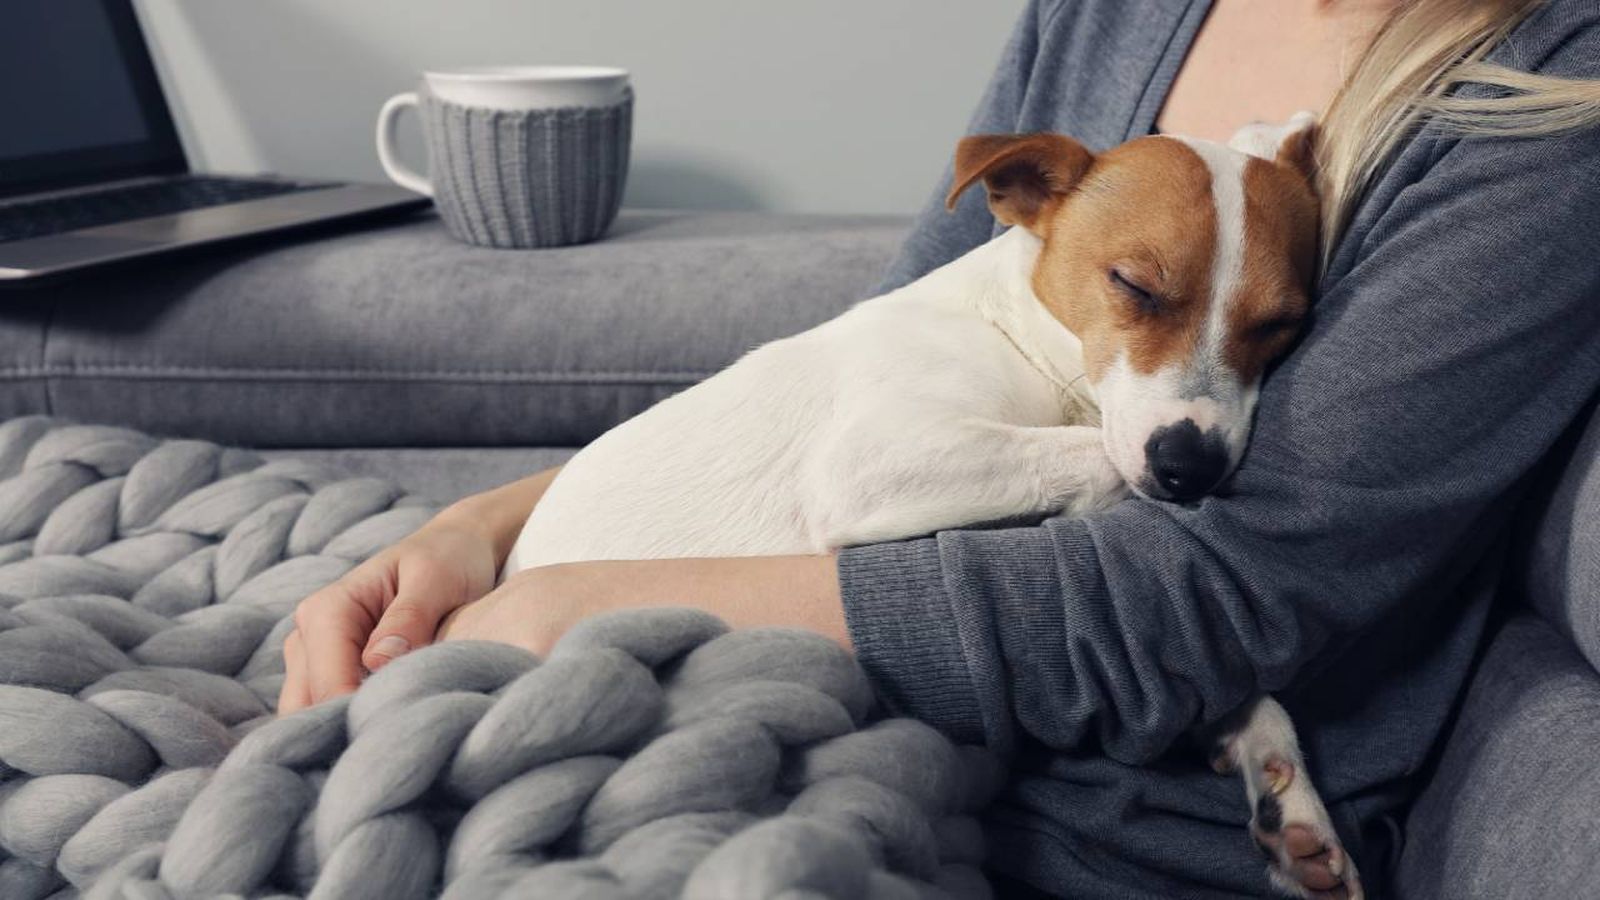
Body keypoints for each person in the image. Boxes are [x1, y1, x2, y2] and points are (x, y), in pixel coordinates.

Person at [280, 0, 1600, 896]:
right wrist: (487, 530)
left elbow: (1209, 600)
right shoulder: (1121, 12)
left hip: (1076, 815)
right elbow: (877, 355)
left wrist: (585, 598)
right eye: (1138, 295)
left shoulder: (1548, 90)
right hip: (731, 681)